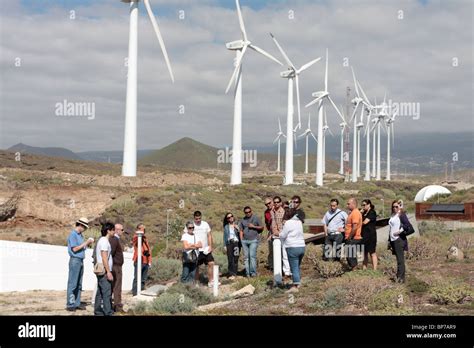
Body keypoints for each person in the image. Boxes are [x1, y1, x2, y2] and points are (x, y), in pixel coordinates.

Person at [66, 217, 94, 312]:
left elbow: (80, 247)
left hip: (80, 260)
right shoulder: (73, 234)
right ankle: (70, 304)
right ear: (81, 225)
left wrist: (87, 244)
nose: (84, 229)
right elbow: (74, 249)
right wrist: (86, 242)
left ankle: (76, 303)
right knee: (73, 283)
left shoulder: (80, 235)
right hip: (75, 260)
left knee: (79, 283)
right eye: (84, 227)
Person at [276, 209, 305, 292]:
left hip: (292, 246)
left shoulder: (288, 223)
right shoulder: (299, 222)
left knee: (294, 267)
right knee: (297, 266)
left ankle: (295, 286)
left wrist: (277, 233)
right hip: (301, 246)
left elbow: (283, 235)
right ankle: (298, 283)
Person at [94, 222, 115, 316]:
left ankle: (98, 311)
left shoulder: (102, 240)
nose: (114, 232)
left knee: (100, 291)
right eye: (113, 230)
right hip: (104, 270)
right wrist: (108, 271)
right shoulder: (104, 241)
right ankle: (108, 312)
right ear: (108, 231)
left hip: (101, 270)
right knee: (106, 292)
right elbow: (104, 257)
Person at [193, 211, 218, 287]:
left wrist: (210, 246)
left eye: (199, 218)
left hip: (205, 249)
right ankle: (196, 282)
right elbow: (186, 235)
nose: (198, 220)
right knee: (196, 266)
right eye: (196, 219)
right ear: (194, 218)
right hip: (196, 250)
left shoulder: (205, 224)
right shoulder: (191, 225)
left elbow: (209, 235)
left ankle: (210, 281)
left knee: (211, 263)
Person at [239, 206, 264, 277]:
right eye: (246, 212)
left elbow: (262, 227)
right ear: (244, 213)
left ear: (251, 211)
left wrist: (253, 226)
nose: (248, 213)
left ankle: (253, 273)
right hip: (245, 241)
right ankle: (247, 273)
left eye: (249, 212)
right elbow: (241, 230)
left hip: (253, 240)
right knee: (246, 257)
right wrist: (241, 240)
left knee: (252, 256)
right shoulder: (242, 220)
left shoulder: (256, 218)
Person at [271, 196, 291, 277]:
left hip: (284, 234)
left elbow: (284, 223)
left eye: (277, 202)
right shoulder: (273, 211)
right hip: (277, 234)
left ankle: (287, 272)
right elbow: (273, 222)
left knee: (285, 254)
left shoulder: (283, 211)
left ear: (280, 203)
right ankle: (283, 272)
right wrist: (275, 231)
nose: (276, 204)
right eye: (274, 202)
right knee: (279, 254)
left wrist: (279, 232)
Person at [132, 223, 152, 296]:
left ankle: (142, 291)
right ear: (138, 229)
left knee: (143, 279)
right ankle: (135, 293)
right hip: (139, 260)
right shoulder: (136, 237)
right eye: (142, 228)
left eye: (144, 228)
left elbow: (149, 250)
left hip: (145, 261)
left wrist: (149, 261)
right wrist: (140, 233)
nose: (143, 230)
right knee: (137, 278)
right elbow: (136, 239)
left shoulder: (145, 239)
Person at [389, 200, 406, 283]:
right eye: (393, 206)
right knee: (398, 259)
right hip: (393, 240)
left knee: (400, 260)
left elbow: (406, 225)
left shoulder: (401, 215)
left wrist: (399, 231)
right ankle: (398, 276)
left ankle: (401, 278)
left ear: (400, 207)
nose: (395, 208)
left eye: (396, 206)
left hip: (398, 240)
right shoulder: (393, 215)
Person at [110, 223, 125, 312]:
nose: (123, 232)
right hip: (116, 266)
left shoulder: (115, 239)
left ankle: (115, 305)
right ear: (117, 230)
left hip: (116, 265)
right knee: (117, 286)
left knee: (115, 286)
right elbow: (111, 253)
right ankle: (117, 306)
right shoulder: (114, 239)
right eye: (122, 230)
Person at [345, 198, 363, 270]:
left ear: (354, 204)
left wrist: (350, 237)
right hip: (350, 237)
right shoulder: (352, 213)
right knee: (350, 255)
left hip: (353, 238)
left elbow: (355, 227)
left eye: (348, 204)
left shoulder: (355, 213)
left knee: (351, 256)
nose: (347, 205)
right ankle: (353, 270)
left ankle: (354, 271)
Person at [223, 212, 240, 279]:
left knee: (236, 258)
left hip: (236, 243)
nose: (230, 218)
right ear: (227, 219)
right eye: (228, 217)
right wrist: (224, 245)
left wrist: (238, 229)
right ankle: (231, 273)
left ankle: (235, 273)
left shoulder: (237, 225)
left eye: (231, 216)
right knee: (230, 259)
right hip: (229, 244)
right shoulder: (226, 227)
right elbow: (224, 236)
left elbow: (241, 233)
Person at [361, 199, 378, 270]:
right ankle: (364, 269)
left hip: (371, 235)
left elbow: (365, 222)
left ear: (369, 205)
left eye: (364, 205)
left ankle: (375, 269)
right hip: (364, 235)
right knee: (364, 253)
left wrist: (358, 223)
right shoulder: (364, 212)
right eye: (362, 205)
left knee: (372, 252)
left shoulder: (372, 212)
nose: (363, 207)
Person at [263, 198, 273, 270]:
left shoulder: (278, 209)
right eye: (266, 204)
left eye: (269, 203)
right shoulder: (266, 212)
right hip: (271, 231)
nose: (268, 205)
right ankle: (272, 265)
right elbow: (266, 223)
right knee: (271, 250)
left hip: (280, 232)